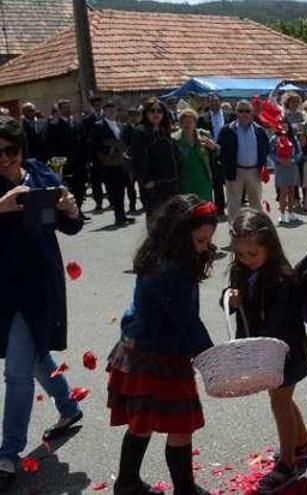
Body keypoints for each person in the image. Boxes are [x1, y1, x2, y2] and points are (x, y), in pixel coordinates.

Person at [107, 194, 216, 495]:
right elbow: (187, 321)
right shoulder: (171, 270)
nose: (206, 246)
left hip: (139, 348)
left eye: (208, 239)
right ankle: (184, 490)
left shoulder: (160, 255)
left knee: (141, 422)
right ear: (180, 236)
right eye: (200, 240)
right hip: (159, 355)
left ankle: (127, 483)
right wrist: (213, 357)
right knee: (180, 426)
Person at [0, 117, 83, 492]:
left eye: (10, 151)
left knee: (18, 370)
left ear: (22, 150)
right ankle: (68, 407)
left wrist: (70, 210)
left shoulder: (39, 175)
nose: (3, 159)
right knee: (33, 358)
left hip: (40, 285)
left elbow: (69, 227)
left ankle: (9, 451)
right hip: (4, 289)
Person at [225, 209, 307, 492]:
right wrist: (231, 300)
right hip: (263, 353)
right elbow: (234, 302)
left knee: (279, 402)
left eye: (253, 254)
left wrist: (262, 349)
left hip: (283, 354)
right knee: (283, 400)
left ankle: (288, 462)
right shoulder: (243, 271)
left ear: (269, 247)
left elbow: (281, 322)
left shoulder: (281, 278)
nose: (247, 260)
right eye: (241, 254)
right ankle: (302, 445)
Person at [218, 100, 270, 220]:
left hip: (254, 171)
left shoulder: (260, 130)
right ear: (236, 112)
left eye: (247, 111)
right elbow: (220, 150)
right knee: (234, 205)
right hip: (235, 171)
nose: (244, 113)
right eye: (241, 111)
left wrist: (262, 167)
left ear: (251, 112)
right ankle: (235, 231)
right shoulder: (226, 130)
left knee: (256, 204)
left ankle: (256, 230)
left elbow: (266, 149)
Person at [131, 98, 182, 221]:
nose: (156, 114)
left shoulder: (165, 131)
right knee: (156, 222)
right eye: (152, 110)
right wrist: (146, 181)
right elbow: (138, 159)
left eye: (159, 111)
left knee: (172, 221)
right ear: (146, 112)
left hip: (170, 182)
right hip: (154, 184)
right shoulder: (140, 131)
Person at [90, 100, 136, 226]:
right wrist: (108, 149)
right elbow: (94, 144)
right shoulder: (98, 125)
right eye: (109, 110)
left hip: (122, 162)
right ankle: (119, 216)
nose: (112, 112)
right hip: (109, 163)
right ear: (104, 112)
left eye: (114, 110)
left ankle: (123, 214)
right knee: (114, 190)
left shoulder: (120, 125)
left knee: (124, 189)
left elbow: (126, 142)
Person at [46, 98, 88, 217]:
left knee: (80, 188)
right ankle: (69, 212)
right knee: (68, 189)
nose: (67, 110)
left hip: (79, 162)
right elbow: (51, 146)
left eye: (69, 107)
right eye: (64, 108)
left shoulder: (78, 123)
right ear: (59, 110)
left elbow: (84, 142)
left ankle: (78, 209)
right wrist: (56, 164)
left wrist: (87, 160)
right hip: (64, 164)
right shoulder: (54, 125)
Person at [197, 93, 232, 216]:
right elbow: (199, 136)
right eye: (211, 102)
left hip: (228, 152)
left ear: (220, 102)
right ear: (207, 103)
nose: (214, 103)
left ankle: (233, 207)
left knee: (231, 182)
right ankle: (220, 209)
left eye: (216, 101)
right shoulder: (202, 119)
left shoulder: (230, 116)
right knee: (217, 183)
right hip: (211, 153)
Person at [174, 108, 217, 203]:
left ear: (195, 123)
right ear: (180, 123)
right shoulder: (174, 139)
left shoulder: (204, 135)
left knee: (204, 209)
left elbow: (218, 152)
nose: (188, 125)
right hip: (185, 181)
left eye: (191, 122)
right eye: (184, 122)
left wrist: (214, 147)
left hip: (203, 180)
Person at [270, 121, 304, 224]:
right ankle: (282, 214)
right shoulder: (274, 139)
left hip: (292, 166)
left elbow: (299, 152)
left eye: (285, 125)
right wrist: (278, 159)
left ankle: (291, 213)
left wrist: (293, 160)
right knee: (283, 191)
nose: (284, 127)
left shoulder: (293, 138)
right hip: (280, 167)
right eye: (281, 125)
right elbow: (270, 152)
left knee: (291, 191)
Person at [294, 131, 307, 213]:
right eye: (300, 140)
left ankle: (306, 204)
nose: (303, 141)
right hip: (299, 171)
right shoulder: (296, 151)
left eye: (304, 139)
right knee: (303, 187)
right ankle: (300, 202)